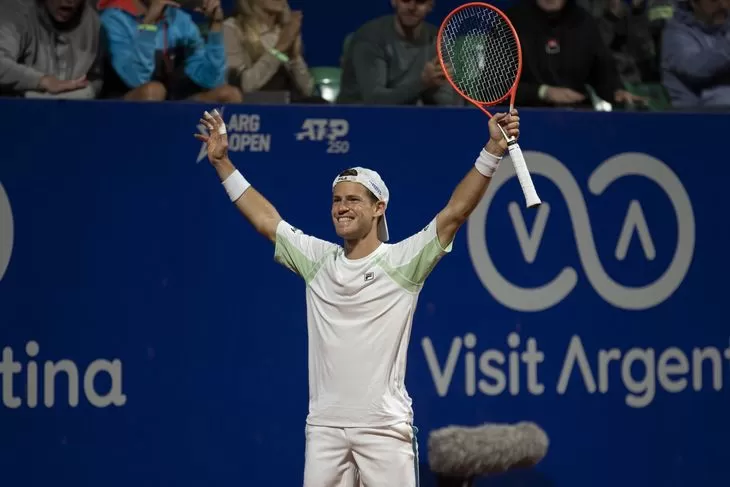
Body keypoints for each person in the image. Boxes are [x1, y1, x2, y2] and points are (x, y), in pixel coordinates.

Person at [195, 107, 519, 486]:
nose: (342, 208)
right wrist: (222, 164)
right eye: (336, 200)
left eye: (353, 200)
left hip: (384, 428)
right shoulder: (316, 260)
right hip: (325, 428)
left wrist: (493, 150)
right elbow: (267, 221)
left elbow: (456, 212)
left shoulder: (404, 261)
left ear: (378, 208)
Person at [97, 0, 242, 102]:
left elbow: (213, 80)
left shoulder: (179, 19)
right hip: (121, 104)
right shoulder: (114, 19)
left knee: (229, 94)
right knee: (153, 91)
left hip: (170, 103)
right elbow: (137, 80)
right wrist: (149, 25)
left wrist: (215, 26)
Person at [337, 0, 462, 106]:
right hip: (356, 121)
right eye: (405, 0)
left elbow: (451, 104)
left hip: (409, 120)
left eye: (420, 1)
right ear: (394, 1)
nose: (411, 7)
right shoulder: (370, 38)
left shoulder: (437, 40)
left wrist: (433, 88)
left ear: (431, 5)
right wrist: (422, 83)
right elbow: (375, 101)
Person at [223, 0, 325, 103]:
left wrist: (294, 57)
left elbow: (307, 90)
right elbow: (244, 86)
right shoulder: (232, 29)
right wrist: (278, 49)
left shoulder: (282, 30)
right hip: (255, 108)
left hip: (289, 105)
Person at [0, 0, 104, 99]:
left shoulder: (93, 22)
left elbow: (95, 77)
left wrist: (84, 93)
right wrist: (42, 81)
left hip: (73, 109)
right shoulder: (17, 13)